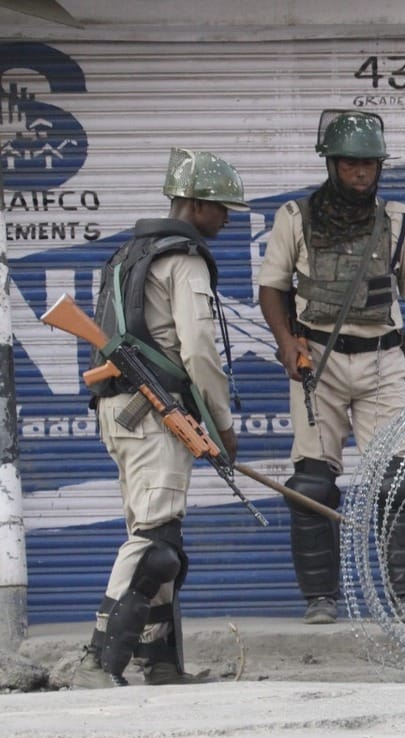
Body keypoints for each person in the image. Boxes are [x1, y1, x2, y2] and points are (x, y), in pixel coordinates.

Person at [257, 110, 405, 625]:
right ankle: (321, 599)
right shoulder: (294, 217)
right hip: (318, 360)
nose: (360, 173)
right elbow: (271, 289)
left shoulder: (399, 220)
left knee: (401, 483)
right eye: (349, 164)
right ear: (332, 165)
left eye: (368, 164)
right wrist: (286, 341)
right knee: (312, 485)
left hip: (383, 360)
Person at [72, 148, 248, 688]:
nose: (224, 219)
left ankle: (161, 663)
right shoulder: (183, 259)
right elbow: (198, 351)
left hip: (122, 413)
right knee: (154, 540)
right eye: (219, 208)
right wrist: (221, 424)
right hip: (155, 414)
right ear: (193, 204)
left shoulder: (129, 253)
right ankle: (97, 662)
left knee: (160, 538)